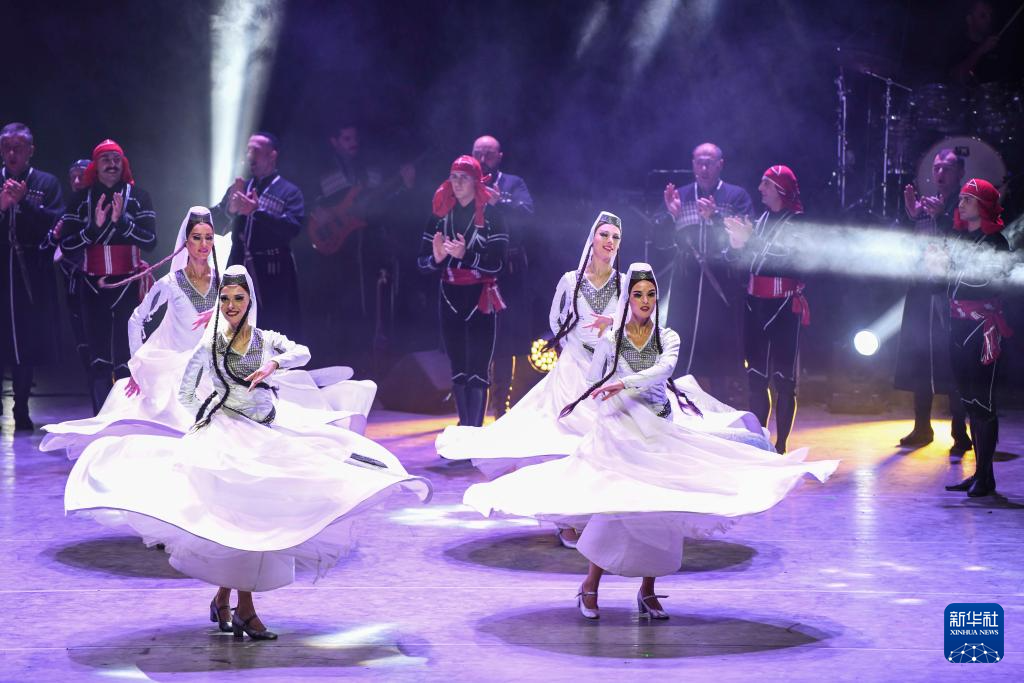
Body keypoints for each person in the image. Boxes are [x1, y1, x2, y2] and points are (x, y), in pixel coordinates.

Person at [64, 265, 431, 639]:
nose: (231, 305)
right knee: (237, 521)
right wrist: (210, 413)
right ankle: (246, 611)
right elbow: (186, 391)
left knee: (256, 516)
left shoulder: (264, 339)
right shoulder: (209, 344)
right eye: (224, 298)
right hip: (224, 439)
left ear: (249, 299)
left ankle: (226, 601)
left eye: (238, 298)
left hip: (263, 434)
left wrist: (274, 363)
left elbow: (302, 352)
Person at [463, 263, 838, 620]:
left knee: (658, 508)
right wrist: (605, 393)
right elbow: (593, 381)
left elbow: (663, 370)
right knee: (616, 507)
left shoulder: (667, 337)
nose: (644, 301)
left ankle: (647, 590)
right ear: (628, 298)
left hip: (656, 430)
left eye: (650, 294)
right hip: (618, 434)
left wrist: (623, 383)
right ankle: (590, 586)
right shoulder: (611, 339)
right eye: (638, 294)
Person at [436, 211, 769, 476]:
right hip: (574, 365)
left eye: (615, 237)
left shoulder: (625, 282)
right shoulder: (571, 280)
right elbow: (556, 319)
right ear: (592, 238)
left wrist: (611, 327)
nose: (610, 241)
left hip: (613, 363)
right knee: (562, 427)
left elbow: (637, 319)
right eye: (604, 235)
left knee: (635, 425)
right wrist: (572, 341)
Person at [43, 208, 376, 459]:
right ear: (185, 242)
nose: (203, 245)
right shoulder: (171, 283)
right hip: (178, 368)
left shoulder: (223, 282)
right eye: (196, 238)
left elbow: (247, 315)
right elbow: (136, 319)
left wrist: (221, 318)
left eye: (208, 237)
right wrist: (139, 367)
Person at [58, 139, 157, 413]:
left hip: (128, 286)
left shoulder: (139, 197)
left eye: (116, 159)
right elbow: (66, 245)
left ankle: (126, 416)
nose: (112, 164)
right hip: (92, 287)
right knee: (98, 358)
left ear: (123, 164)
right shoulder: (80, 199)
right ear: (96, 166)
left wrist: (122, 223)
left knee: (127, 357)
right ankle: (100, 417)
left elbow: (150, 241)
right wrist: (92, 229)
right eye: (106, 159)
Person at [416, 155, 508, 427]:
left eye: (463, 178)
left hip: (480, 296)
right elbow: (421, 263)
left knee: (478, 369)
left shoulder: (492, 216)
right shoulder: (439, 215)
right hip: (449, 295)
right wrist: (436, 259)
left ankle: (473, 431)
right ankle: (463, 426)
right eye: (453, 177)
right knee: (458, 369)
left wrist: (465, 255)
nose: (456, 183)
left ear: (476, 181)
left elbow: (498, 264)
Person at [724, 165, 809, 454]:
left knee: (784, 381)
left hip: (783, 307)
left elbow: (786, 259)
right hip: (755, 306)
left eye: (766, 184)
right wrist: (735, 246)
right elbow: (741, 262)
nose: (760, 188)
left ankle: (781, 445)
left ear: (780, 189)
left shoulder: (797, 222)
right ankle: (760, 444)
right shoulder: (759, 221)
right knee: (756, 378)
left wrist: (750, 241)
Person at [895, 149, 971, 453]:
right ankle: (922, 426)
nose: (940, 173)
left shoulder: (965, 203)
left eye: (947, 168)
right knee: (919, 356)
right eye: (937, 167)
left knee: (952, 360)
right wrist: (910, 216)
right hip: (921, 289)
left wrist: (944, 218)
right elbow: (907, 244)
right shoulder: (926, 205)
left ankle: (960, 432)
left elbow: (967, 245)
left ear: (959, 173)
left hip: (949, 293)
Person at [660, 143, 753, 390]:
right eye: (699, 163)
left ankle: (721, 403)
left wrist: (715, 217)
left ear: (720, 165)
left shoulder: (736, 196)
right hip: (686, 283)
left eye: (709, 163)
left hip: (721, 281)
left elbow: (744, 239)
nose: (703, 168)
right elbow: (661, 243)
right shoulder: (680, 196)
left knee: (719, 354)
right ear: (693, 165)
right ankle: (678, 402)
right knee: (682, 347)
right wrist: (671, 216)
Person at [941, 179, 1012, 497]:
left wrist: (957, 266)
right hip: (957, 327)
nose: (961, 203)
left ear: (983, 206)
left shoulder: (996, 242)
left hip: (982, 329)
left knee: (983, 403)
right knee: (969, 401)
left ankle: (986, 477)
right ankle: (980, 474)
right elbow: (944, 284)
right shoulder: (959, 237)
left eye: (968, 199)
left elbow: (994, 284)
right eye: (960, 198)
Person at [0, 123, 63, 431]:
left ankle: (21, 407)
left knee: (24, 343)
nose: (12, 153)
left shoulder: (46, 183)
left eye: (18, 148)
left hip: (32, 272)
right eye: (6, 147)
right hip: (2, 268)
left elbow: (57, 223)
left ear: (30, 151)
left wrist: (23, 201)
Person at [214, 132, 304, 339]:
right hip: (239, 265)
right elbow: (216, 226)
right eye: (248, 150)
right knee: (234, 326)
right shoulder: (239, 188)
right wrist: (230, 210)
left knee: (273, 328)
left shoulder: (289, 192)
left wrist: (257, 211)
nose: (249, 156)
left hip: (273, 270)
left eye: (255, 151)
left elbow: (293, 228)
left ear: (272, 155)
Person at [472, 134, 535, 417]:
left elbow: (528, 212)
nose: (483, 158)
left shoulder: (512, 183)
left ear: (499, 157)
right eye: (478, 152)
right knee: (474, 337)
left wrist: (501, 201)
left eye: (488, 153)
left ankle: (501, 409)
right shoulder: (464, 183)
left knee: (505, 341)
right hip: (474, 268)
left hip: (507, 272)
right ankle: (472, 412)